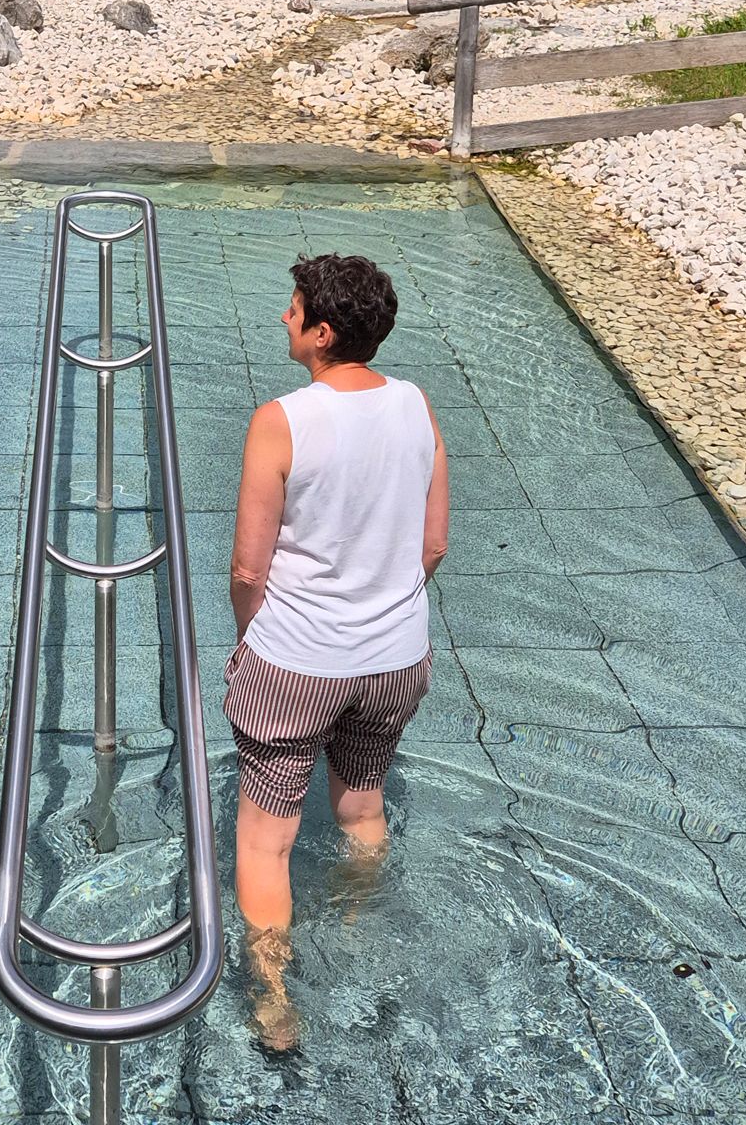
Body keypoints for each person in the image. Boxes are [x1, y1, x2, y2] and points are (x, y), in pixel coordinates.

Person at [225, 252, 450, 1049]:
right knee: (362, 803)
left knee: (266, 837)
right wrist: (377, 612)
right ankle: (358, 933)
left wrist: (258, 638)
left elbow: (250, 568)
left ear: (322, 332)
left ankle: (276, 1001)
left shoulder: (282, 420)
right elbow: (431, 547)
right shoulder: (417, 406)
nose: (284, 319)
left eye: (293, 311)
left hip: (299, 659)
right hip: (395, 658)